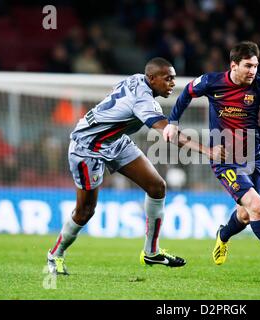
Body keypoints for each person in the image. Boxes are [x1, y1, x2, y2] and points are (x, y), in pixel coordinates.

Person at [47, 57, 225, 275]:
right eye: (167, 79)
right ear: (151, 78)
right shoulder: (143, 101)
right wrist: (209, 152)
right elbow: (169, 133)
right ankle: (55, 254)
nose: (172, 84)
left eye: (174, 79)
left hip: (115, 141)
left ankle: (151, 253)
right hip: (88, 147)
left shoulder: (137, 80)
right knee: (85, 211)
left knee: (157, 187)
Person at [163, 41, 260, 275]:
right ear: (233, 65)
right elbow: (186, 92)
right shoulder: (211, 82)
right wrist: (173, 121)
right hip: (224, 158)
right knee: (257, 206)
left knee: (246, 215)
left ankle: (223, 234)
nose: (253, 71)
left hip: (253, 156)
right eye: (247, 66)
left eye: (255, 66)